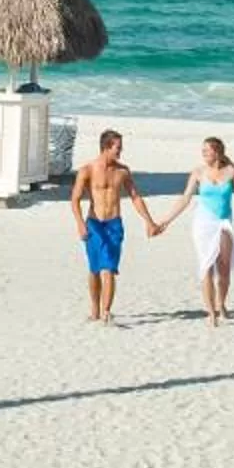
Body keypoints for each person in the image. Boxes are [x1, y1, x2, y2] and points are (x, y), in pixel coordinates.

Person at [155, 135, 234, 326]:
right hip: (203, 224)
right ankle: (211, 312)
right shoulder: (198, 172)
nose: (203, 154)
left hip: (224, 223)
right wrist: (166, 221)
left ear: (218, 152)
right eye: (202, 150)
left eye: (207, 151)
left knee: (224, 269)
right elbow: (185, 198)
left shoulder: (232, 172)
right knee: (206, 266)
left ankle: (221, 304)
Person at [68, 129, 156, 325]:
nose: (120, 152)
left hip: (114, 224)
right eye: (117, 148)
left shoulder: (122, 171)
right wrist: (80, 224)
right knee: (94, 270)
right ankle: (95, 309)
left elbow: (135, 197)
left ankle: (106, 312)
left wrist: (149, 221)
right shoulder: (87, 170)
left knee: (109, 268)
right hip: (94, 224)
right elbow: (74, 200)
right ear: (106, 147)